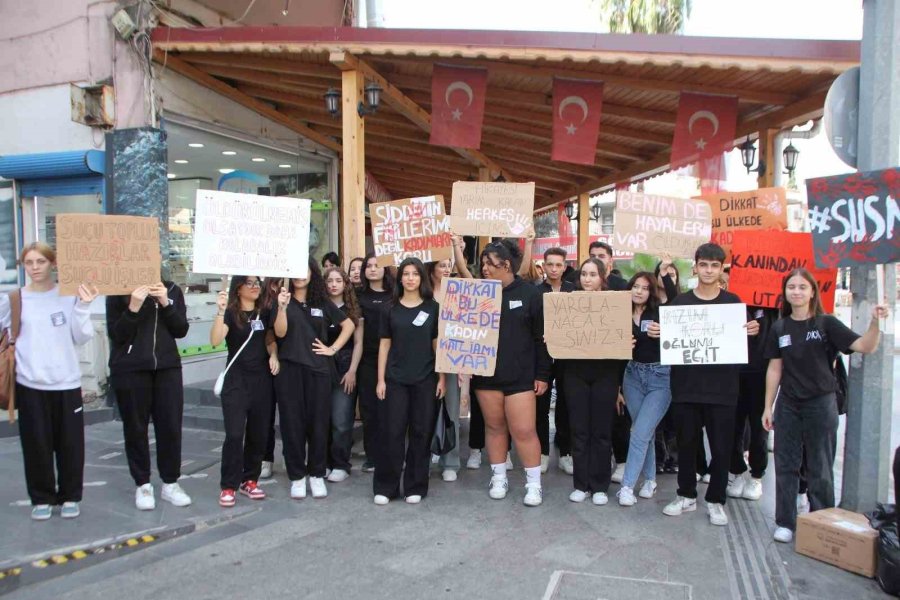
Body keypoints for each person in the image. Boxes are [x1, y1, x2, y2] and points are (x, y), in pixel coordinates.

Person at [763, 268, 887, 543]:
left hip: (821, 404)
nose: (796, 291)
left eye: (802, 287)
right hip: (788, 405)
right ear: (785, 293)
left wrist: (875, 323)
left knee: (820, 466)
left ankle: (821, 521)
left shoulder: (826, 323)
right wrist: (767, 406)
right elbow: (774, 368)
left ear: (812, 292)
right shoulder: (779, 328)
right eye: (791, 287)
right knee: (785, 464)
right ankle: (785, 521)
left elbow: (865, 346)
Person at [657, 243, 759, 527]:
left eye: (715, 265)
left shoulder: (733, 304)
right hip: (686, 388)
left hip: (722, 390)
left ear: (721, 269)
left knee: (721, 448)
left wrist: (752, 331)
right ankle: (686, 495)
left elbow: (744, 344)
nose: (709, 270)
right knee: (686, 445)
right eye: (704, 265)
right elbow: (667, 336)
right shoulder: (680, 304)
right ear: (696, 267)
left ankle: (716, 501)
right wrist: (658, 331)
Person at [0, 243, 97, 520]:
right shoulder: (14, 299)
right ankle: (41, 498)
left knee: (71, 445)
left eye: (40, 261)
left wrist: (84, 306)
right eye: (29, 263)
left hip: (66, 382)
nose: (35, 268)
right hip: (30, 383)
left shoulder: (68, 296)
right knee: (36, 445)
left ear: (53, 264)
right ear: (23, 266)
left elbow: (82, 336)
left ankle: (70, 496)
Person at [472, 240, 550, 506]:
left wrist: (542, 374)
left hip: (521, 377)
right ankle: (498, 478)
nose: (484, 268)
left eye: (489, 263)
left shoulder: (530, 294)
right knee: (494, 428)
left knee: (524, 430)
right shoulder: (477, 293)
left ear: (506, 265)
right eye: (483, 263)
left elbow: (541, 338)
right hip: (486, 375)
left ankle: (534, 485)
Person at [107, 275, 192, 511]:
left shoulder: (172, 289)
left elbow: (181, 329)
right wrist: (133, 308)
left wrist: (165, 303)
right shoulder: (118, 289)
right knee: (135, 427)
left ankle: (170, 482)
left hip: (167, 367)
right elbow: (116, 334)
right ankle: (142, 484)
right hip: (131, 369)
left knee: (170, 426)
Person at [273, 258, 354, 500]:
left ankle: (317, 474)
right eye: (296, 270)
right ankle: (297, 476)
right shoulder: (282, 300)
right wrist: (281, 308)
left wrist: (332, 349)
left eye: (305, 270)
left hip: (319, 371)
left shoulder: (322, 302)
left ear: (312, 274)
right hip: (290, 371)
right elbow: (279, 332)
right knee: (292, 424)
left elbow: (349, 325)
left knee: (319, 425)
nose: (300, 275)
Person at [374, 258, 444, 505]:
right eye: (406, 273)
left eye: (415, 273)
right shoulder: (389, 309)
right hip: (395, 380)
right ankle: (386, 487)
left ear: (422, 278)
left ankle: (415, 486)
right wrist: (380, 379)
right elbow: (384, 345)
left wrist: (442, 378)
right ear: (400, 278)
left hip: (425, 380)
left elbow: (437, 345)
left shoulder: (433, 308)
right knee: (391, 432)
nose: (410, 278)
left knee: (421, 433)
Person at [209, 276, 279, 507]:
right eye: (249, 283)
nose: (255, 286)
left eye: (257, 282)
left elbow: (270, 338)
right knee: (234, 434)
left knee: (259, 433)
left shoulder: (264, 311)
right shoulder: (231, 312)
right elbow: (215, 340)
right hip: (236, 382)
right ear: (238, 288)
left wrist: (274, 355)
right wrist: (220, 312)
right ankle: (228, 485)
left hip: (261, 380)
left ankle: (250, 479)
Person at [561, 258, 622, 506]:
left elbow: (624, 336)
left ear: (602, 277)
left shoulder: (614, 304)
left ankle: (599, 486)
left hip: (605, 374)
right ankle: (580, 484)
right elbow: (558, 332)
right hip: (574, 373)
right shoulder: (567, 303)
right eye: (584, 274)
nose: (587, 279)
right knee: (579, 430)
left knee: (601, 432)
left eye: (593, 274)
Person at [618, 272, 670, 506]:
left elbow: (679, 321)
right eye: (635, 286)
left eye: (645, 288)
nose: (639, 291)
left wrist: (664, 332)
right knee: (643, 432)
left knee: (639, 432)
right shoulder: (619, 313)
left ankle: (627, 486)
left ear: (652, 292)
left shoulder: (660, 313)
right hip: (632, 377)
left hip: (660, 377)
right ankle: (650, 480)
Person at [587, 240, 630, 483]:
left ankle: (621, 461)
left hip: (616, 365)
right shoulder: (577, 289)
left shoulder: (622, 287)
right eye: (592, 255)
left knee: (618, 416)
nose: (597, 259)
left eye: (601, 256)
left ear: (610, 261)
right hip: (587, 365)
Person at [726, 305, 778, 502]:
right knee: (732, 426)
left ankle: (756, 476)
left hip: (761, 373)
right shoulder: (732, 302)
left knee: (759, 428)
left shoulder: (773, 308)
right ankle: (736, 472)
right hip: (733, 371)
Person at [535, 247, 576, 475]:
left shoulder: (574, 290)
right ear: (543, 265)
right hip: (541, 355)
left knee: (566, 405)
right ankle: (542, 453)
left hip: (568, 356)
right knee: (540, 406)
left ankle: (565, 453)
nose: (553, 269)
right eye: (549, 264)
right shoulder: (535, 292)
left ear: (564, 267)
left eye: (558, 265)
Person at [324, 267, 363, 483]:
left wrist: (352, 371)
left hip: (345, 367)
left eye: (338, 280)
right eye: (329, 280)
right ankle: (323, 462)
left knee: (341, 420)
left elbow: (358, 343)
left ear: (345, 284)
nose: (333, 284)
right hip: (321, 368)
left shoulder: (352, 309)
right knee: (321, 420)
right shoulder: (318, 306)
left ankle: (341, 464)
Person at [356, 254, 395, 472]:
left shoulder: (395, 294)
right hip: (366, 359)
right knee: (369, 409)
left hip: (392, 358)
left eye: (377, 265)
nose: (372, 269)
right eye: (368, 266)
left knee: (390, 409)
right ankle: (372, 457)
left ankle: (390, 454)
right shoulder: (357, 295)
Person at [427, 257, 462, 482]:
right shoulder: (421, 293)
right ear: (431, 269)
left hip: (450, 358)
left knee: (451, 410)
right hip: (422, 359)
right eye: (442, 265)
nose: (447, 269)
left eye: (449, 265)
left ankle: (450, 461)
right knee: (421, 412)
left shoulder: (459, 292)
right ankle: (423, 456)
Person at [260, 277, 285, 479]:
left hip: (293, 360)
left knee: (291, 414)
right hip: (266, 360)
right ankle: (265, 458)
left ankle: (290, 455)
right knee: (265, 413)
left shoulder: (297, 286)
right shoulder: (263, 295)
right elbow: (267, 331)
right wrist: (273, 354)